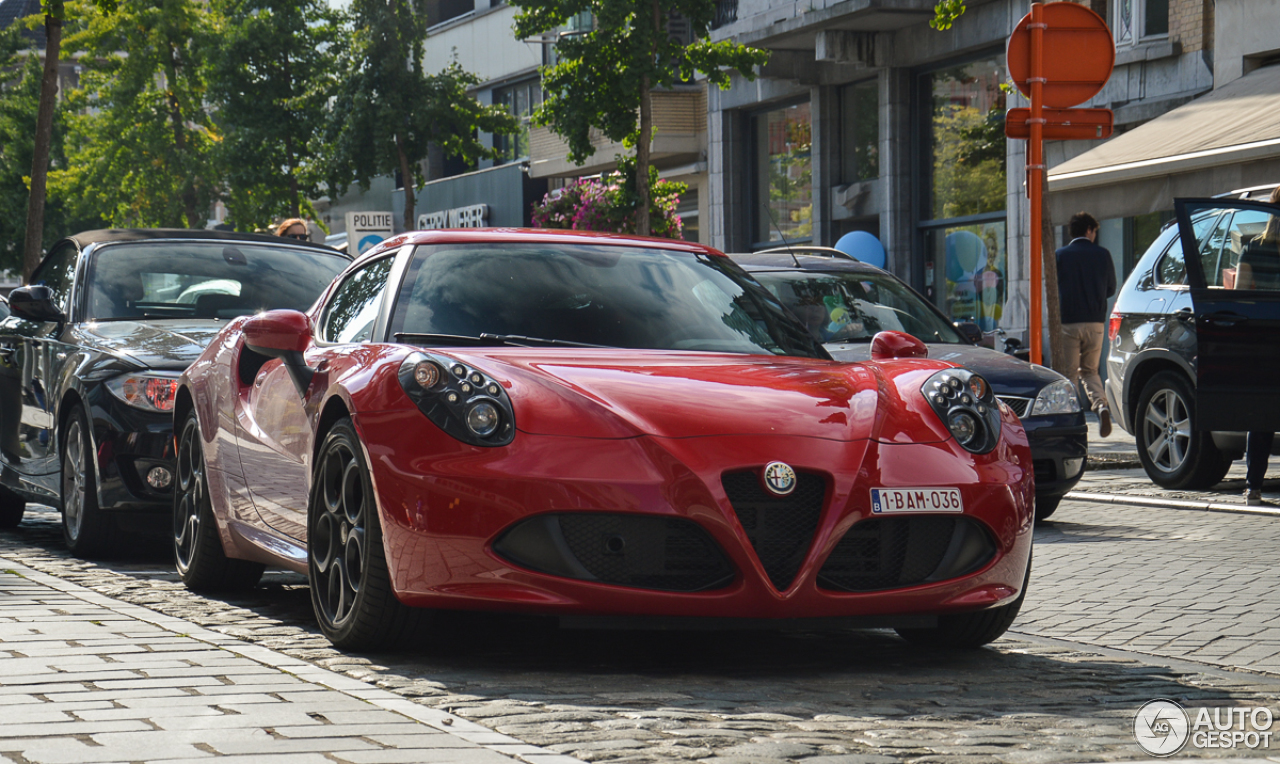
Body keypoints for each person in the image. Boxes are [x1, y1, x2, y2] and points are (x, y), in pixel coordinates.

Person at [1233, 187, 1280, 505]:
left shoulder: (1252, 248)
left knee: (1261, 415)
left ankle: (1253, 487)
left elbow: (1238, 295)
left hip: (1263, 337)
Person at [1056, 211, 1117, 437]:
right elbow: (1111, 288)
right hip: (1095, 322)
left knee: (1069, 373)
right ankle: (1100, 405)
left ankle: (1070, 419)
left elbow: (1052, 290)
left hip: (1068, 323)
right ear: (1089, 230)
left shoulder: (1060, 255)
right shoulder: (1103, 254)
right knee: (1090, 370)